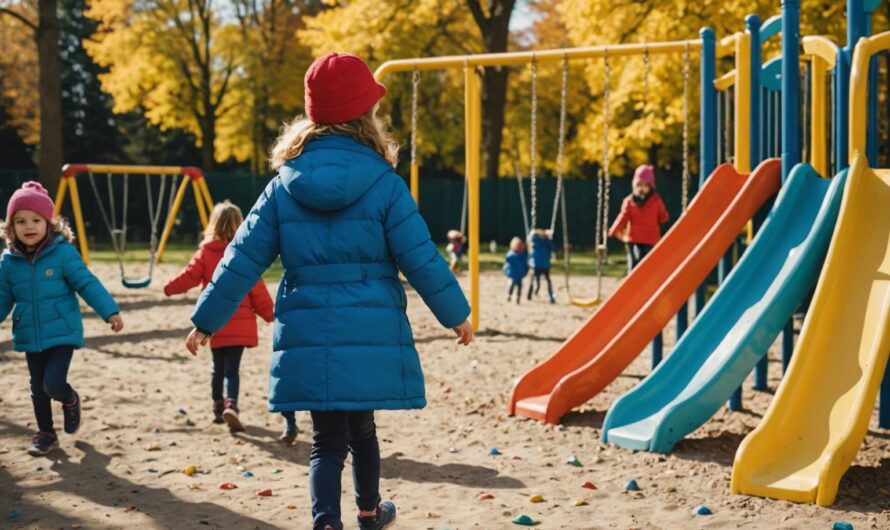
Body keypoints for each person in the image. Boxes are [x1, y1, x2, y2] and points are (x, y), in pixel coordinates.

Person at [184, 52, 474, 530]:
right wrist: (454, 312)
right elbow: (419, 255)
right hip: (369, 323)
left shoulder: (283, 186)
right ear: (365, 116)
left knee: (325, 441)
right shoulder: (384, 183)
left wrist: (205, 319)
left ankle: (325, 522)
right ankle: (368, 512)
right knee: (362, 430)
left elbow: (241, 258)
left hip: (308, 326)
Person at [0, 181, 123, 456]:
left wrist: (110, 311)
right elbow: (3, 297)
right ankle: (46, 434)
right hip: (30, 333)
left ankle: (69, 398)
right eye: (20, 221)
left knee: (52, 383)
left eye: (35, 219)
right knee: (37, 388)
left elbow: (86, 283)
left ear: (48, 223)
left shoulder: (63, 253)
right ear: (11, 227)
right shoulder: (8, 262)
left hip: (62, 331)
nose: (28, 226)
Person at [164, 200, 274, 433]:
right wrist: (269, 314)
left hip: (214, 321)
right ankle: (231, 404)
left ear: (213, 224)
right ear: (240, 225)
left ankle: (217, 408)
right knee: (232, 369)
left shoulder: (205, 252)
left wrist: (169, 288)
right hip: (241, 325)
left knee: (218, 367)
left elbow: (189, 276)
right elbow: (257, 289)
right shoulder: (243, 253)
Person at [608, 164, 669, 270]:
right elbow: (622, 217)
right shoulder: (629, 202)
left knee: (650, 264)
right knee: (635, 261)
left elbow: (663, 217)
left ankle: (649, 284)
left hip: (651, 239)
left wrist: (665, 224)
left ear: (650, 187)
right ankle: (632, 282)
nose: (642, 188)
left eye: (645, 185)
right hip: (634, 239)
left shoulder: (656, 201)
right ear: (634, 185)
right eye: (639, 185)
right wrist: (614, 230)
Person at [527, 228, 556, 303]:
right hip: (545, 265)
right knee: (548, 281)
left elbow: (531, 238)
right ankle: (551, 296)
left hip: (535, 265)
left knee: (532, 280)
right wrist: (550, 238)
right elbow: (553, 248)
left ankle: (529, 295)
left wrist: (532, 233)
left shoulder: (534, 242)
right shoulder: (547, 242)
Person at [503, 236, 529, 304]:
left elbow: (525, 264)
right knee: (511, 285)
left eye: (519, 246)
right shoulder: (511, 255)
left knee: (520, 287)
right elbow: (507, 263)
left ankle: (518, 298)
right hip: (513, 275)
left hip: (519, 275)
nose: (518, 248)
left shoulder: (523, 255)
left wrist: (525, 271)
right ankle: (509, 295)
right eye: (517, 246)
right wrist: (506, 271)